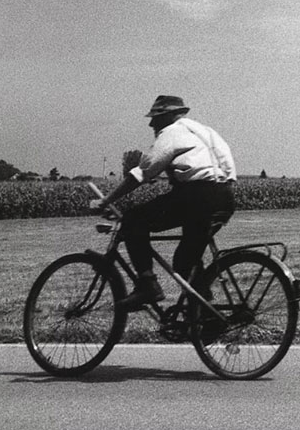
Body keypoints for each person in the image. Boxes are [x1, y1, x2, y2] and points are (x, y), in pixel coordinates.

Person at [93, 94, 237, 311]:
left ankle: (147, 285)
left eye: (156, 117)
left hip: (196, 196)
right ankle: (204, 314)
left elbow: (142, 172)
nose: (151, 123)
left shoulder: (172, 132)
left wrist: (107, 200)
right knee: (185, 261)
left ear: (170, 115)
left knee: (133, 220)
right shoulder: (206, 132)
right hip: (224, 196)